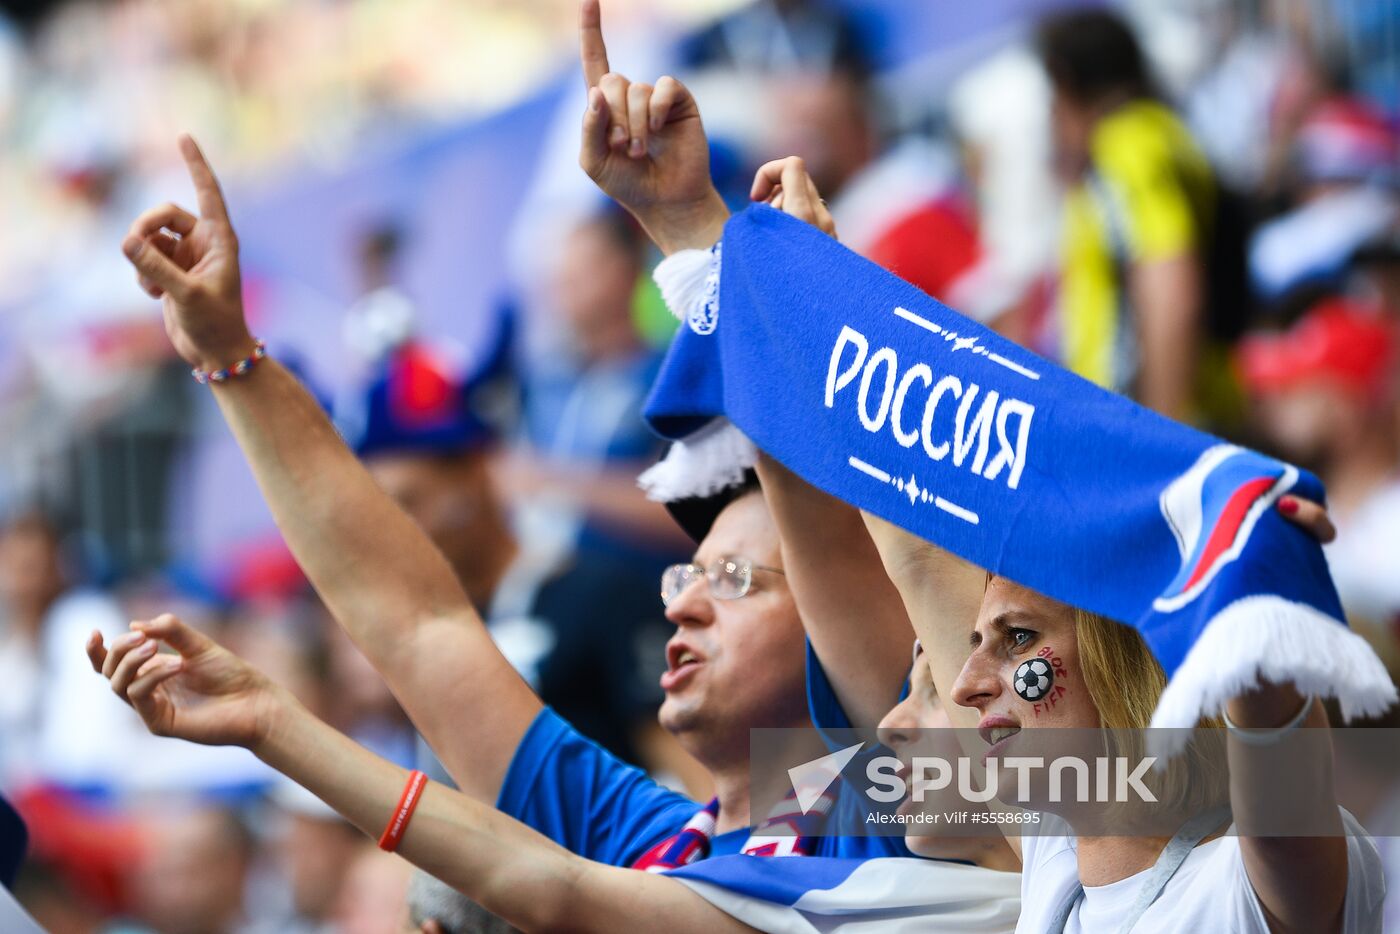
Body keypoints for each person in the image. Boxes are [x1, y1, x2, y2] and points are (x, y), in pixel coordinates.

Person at [1036, 9, 1216, 421]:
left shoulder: (1125, 150)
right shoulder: (1167, 134)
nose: (1051, 119)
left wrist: (1160, 445)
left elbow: (1170, 287)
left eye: (1053, 100)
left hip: (1139, 428)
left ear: (1068, 85)